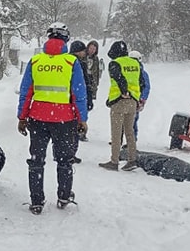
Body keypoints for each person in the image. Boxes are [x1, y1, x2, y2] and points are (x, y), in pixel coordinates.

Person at [17, 22, 89, 213]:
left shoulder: (36, 61)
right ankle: (64, 197)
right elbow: (79, 93)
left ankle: (36, 201)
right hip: (64, 121)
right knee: (64, 160)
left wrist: (22, 117)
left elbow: (26, 92)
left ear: (48, 38)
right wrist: (82, 118)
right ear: (66, 39)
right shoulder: (71, 62)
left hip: (38, 120)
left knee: (36, 160)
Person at [99, 40, 143, 172]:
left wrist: (124, 92)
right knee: (130, 131)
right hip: (133, 101)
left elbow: (119, 78)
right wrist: (135, 97)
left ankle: (114, 161)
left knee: (116, 133)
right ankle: (132, 159)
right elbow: (141, 81)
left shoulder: (115, 63)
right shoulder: (135, 63)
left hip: (120, 101)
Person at [83, 41, 103, 109]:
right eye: (91, 48)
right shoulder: (82, 56)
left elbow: (96, 73)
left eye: (94, 49)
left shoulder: (96, 59)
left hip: (91, 81)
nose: (92, 51)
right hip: (83, 80)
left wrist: (96, 85)